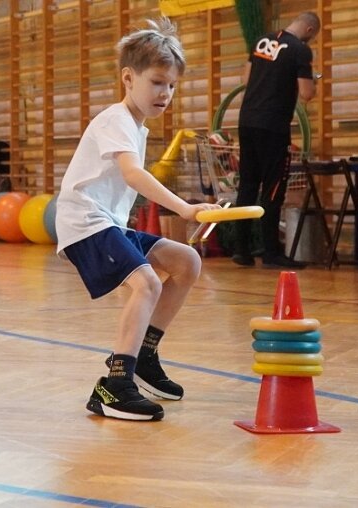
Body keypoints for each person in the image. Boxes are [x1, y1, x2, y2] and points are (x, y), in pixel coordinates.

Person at [55, 18, 220, 422]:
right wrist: (185, 208)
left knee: (186, 262)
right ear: (129, 78)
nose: (165, 93)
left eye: (172, 85)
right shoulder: (116, 120)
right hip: (85, 222)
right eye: (157, 82)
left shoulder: (136, 127)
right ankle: (114, 385)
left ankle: (143, 356)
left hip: (108, 221)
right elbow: (133, 175)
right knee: (145, 282)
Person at [232, 12, 321, 269]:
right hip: (273, 126)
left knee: (248, 185)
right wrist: (311, 81)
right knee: (273, 187)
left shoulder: (262, 41)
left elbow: (246, 79)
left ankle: (242, 250)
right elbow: (306, 94)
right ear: (309, 28)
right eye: (312, 35)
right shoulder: (300, 50)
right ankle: (271, 252)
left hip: (247, 120)